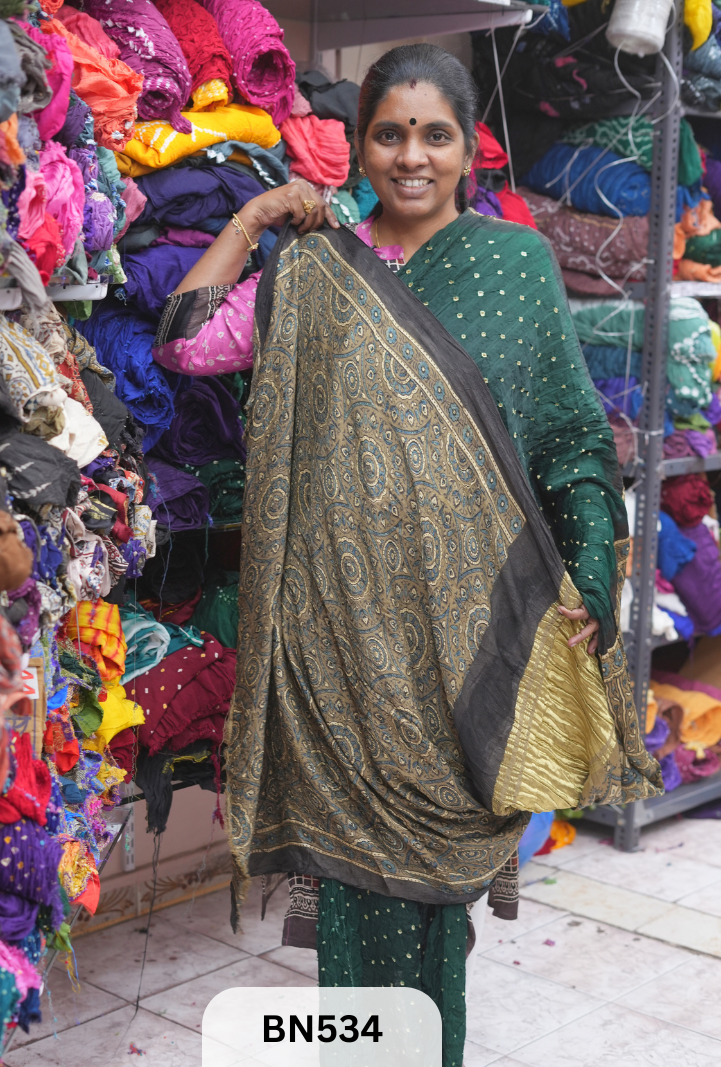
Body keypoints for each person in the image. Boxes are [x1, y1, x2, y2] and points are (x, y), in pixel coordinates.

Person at [155, 43, 660, 1067]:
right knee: (355, 905)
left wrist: (597, 576)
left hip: (465, 640)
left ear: (464, 146)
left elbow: (566, 438)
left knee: (434, 911)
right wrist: (254, 218)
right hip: (334, 650)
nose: (411, 156)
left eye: (433, 133)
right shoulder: (309, 270)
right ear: (359, 145)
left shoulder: (511, 266)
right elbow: (182, 338)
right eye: (389, 132)